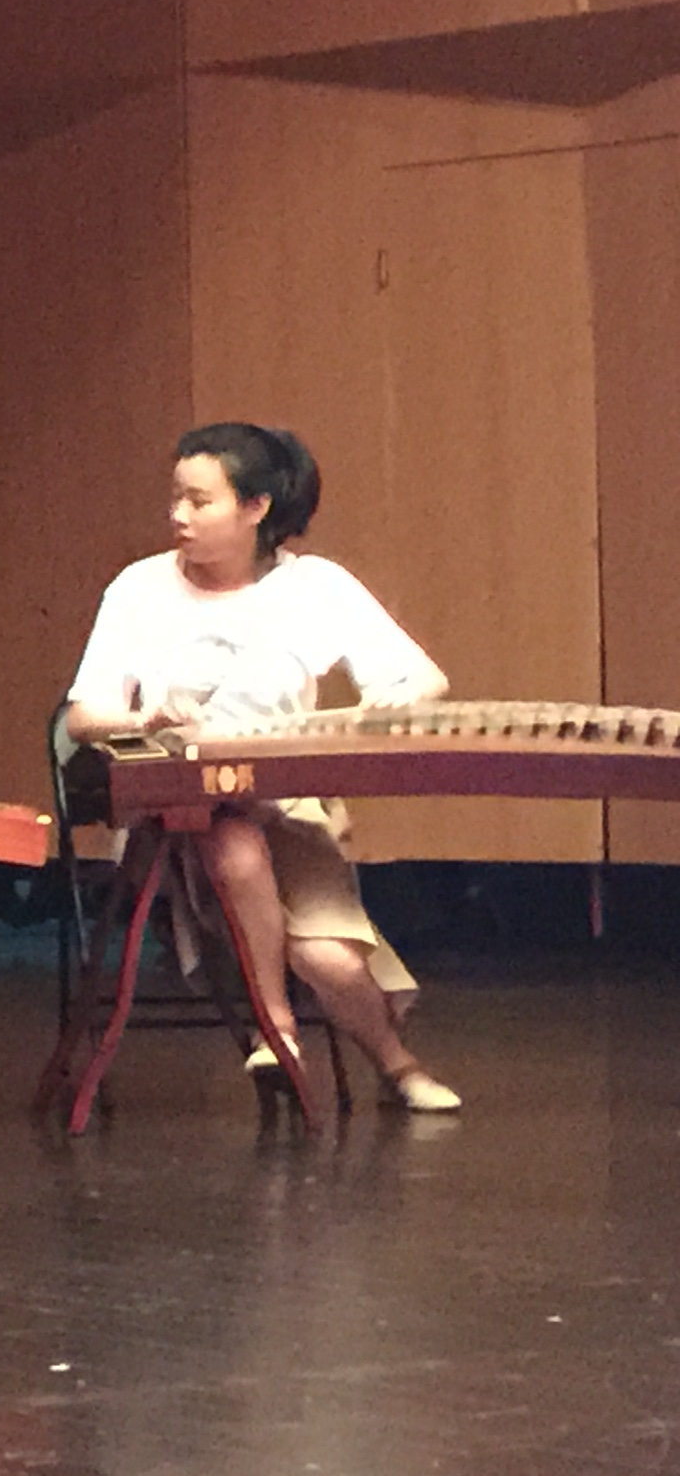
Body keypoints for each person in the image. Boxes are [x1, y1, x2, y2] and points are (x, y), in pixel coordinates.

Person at [62, 422, 460, 1113]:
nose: (179, 515)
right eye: (176, 498)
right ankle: (279, 1029)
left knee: (329, 957)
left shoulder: (316, 586)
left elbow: (424, 679)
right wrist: (145, 718)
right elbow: (82, 716)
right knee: (234, 846)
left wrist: (394, 698)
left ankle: (397, 1068)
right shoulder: (140, 588)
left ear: (256, 507)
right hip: (177, 811)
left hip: (285, 801)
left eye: (199, 501)